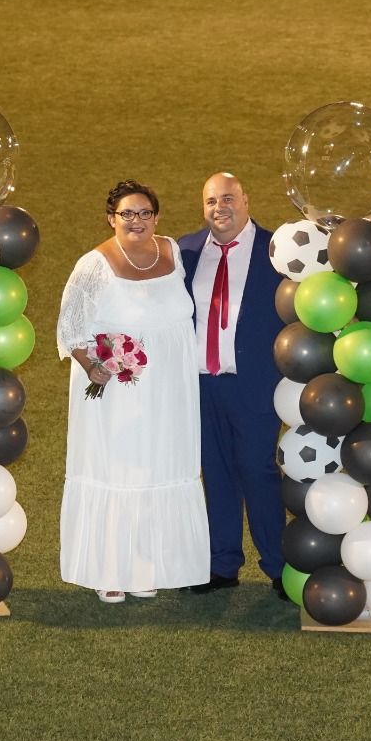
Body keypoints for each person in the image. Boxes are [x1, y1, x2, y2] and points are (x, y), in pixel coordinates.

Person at [57, 180, 211, 603]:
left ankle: (146, 566)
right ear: (112, 218)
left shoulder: (173, 253)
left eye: (144, 213)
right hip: (119, 390)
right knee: (120, 468)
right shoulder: (93, 264)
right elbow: (69, 329)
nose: (137, 221)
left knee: (158, 466)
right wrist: (94, 367)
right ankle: (109, 570)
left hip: (171, 390)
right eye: (127, 214)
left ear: (157, 218)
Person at [178, 173, 288, 599]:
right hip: (201, 385)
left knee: (258, 471)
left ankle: (279, 567)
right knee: (215, 473)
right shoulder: (186, 251)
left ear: (246, 200)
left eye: (227, 199)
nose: (218, 208)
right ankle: (221, 564)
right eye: (210, 201)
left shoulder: (278, 251)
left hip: (255, 384)